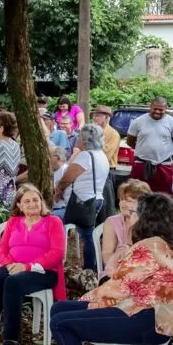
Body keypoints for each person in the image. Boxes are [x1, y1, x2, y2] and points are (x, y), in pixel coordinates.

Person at [48, 193, 173, 345]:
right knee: (59, 310)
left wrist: (89, 300)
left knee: (61, 322)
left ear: (146, 218)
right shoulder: (159, 244)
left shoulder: (149, 246)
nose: (127, 217)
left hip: (148, 321)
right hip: (141, 312)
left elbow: (116, 289)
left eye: (132, 213)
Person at [0, 184, 67, 345]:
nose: (32, 204)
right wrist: (8, 264)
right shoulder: (14, 222)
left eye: (35, 200)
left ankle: (11, 340)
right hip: (13, 267)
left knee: (13, 283)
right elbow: (2, 249)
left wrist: (27, 266)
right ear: (19, 205)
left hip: (43, 271)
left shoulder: (53, 221)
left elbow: (57, 253)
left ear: (41, 202)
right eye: (26, 201)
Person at [53, 124, 109, 270]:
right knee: (90, 236)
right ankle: (94, 268)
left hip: (82, 202)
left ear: (84, 140)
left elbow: (67, 178)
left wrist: (58, 189)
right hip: (97, 199)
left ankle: (90, 269)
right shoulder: (101, 155)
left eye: (79, 137)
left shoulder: (85, 156)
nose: (77, 140)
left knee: (52, 219)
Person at [98, 179, 151, 282]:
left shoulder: (150, 222)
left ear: (142, 204)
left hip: (144, 270)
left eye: (129, 201)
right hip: (115, 270)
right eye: (121, 199)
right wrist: (119, 271)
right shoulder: (111, 222)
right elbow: (107, 253)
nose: (123, 204)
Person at [127, 97, 173, 193]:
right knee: (137, 193)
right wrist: (144, 149)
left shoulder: (171, 122)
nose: (157, 111)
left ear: (166, 108)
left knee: (163, 196)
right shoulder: (138, 121)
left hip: (163, 165)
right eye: (154, 108)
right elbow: (130, 141)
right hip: (141, 164)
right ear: (150, 106)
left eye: (161, 109)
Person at [92, 105, 120, 222]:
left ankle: (106, 230)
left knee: (106, 204)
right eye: (94, 115)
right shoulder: (93, 131)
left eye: (97, 116)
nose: (94, 118)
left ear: (107, 117)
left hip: (106, 170)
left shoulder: (113, 134)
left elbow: (106, 155)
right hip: (93, 170)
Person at [50, 146, 71, 221]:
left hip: (64, 208)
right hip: (54, 208)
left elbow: (61, 195)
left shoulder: (66, 170)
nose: (48, 159)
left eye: (50, 156)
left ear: (58, 157)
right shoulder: (55, 172)